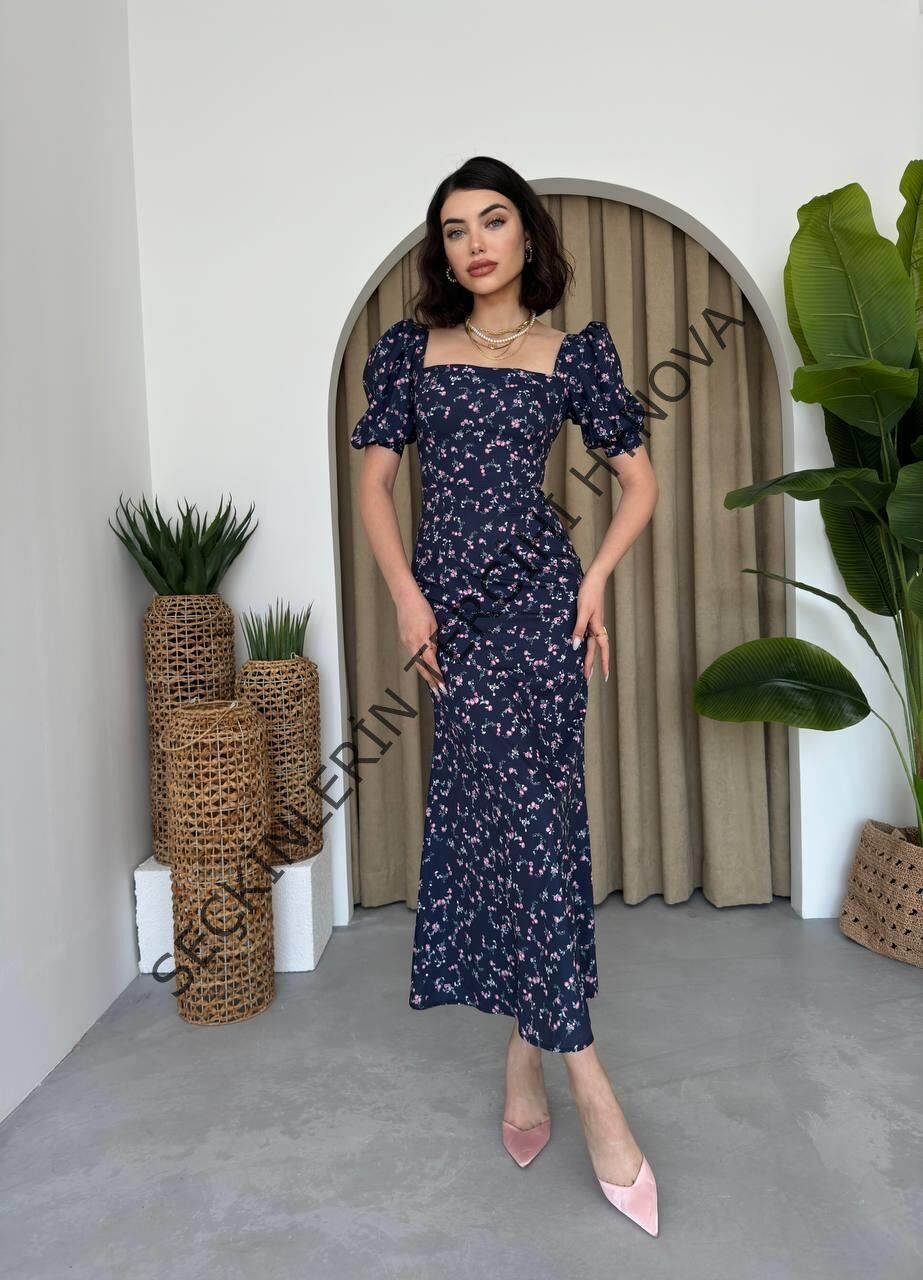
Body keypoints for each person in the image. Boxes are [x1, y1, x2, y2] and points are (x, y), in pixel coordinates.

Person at [350, 155, 660, 1236]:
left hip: (540, 608)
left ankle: (541, 1061)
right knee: (515, 822)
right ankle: (574, 1074)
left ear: (526, 234)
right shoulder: (410, 351)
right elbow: (374, 481)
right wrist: (406, 595)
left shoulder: (571, 353)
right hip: (455, 617)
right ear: (442, 252)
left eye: (492, 221)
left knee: (539, 820)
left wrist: (595, 577)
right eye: (453, 229)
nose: (474, 243)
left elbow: (637, 481)